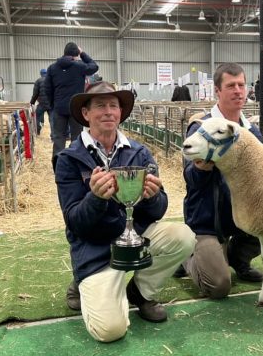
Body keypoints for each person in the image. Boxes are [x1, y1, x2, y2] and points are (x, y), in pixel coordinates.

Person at [55, 81, 196, 342]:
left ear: (120, 112)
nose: (108, 111)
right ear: (86, 114)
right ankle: (86, 283)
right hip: (96, 249)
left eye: (114, 105)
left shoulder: (139, 153)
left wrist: (153, 197)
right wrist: (95, 198)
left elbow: (159, 210)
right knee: (110, 331)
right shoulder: (69, 159)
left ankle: (140, 293)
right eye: (100, 106)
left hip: (135, 239)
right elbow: (75, 222)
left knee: (184, 236)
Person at [177, 63, 263, 299]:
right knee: (218, 286)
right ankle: (186, 256)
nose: (238, 91)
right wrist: (202, 170)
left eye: (241, 85)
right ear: (217, 91)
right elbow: (190, 178)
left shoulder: (251, 132)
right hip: (208, 221)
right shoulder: (201, 128)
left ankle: (238, 258)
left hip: (242, 217)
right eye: (230, 86)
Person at [45, 42, 99, 165]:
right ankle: (74, 163)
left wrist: (52, 105)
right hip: (75, 107)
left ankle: (58, 164)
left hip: (59, 108)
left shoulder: (52, 68)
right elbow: (94, 66)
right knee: (76, 137)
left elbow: (47, 88)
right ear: (76, 55)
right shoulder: (79, 66)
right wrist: (83, 53)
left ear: (64, 53)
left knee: (59, 137)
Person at [30, 68, 53, 137]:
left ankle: (38, 132)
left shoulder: (38, 81)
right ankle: (53, 136)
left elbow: (35, 94)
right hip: (51, 104)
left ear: (41, 74)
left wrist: (32, 102)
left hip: (42, 103)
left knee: (37, 117)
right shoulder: (52, 80)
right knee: (52, 120)